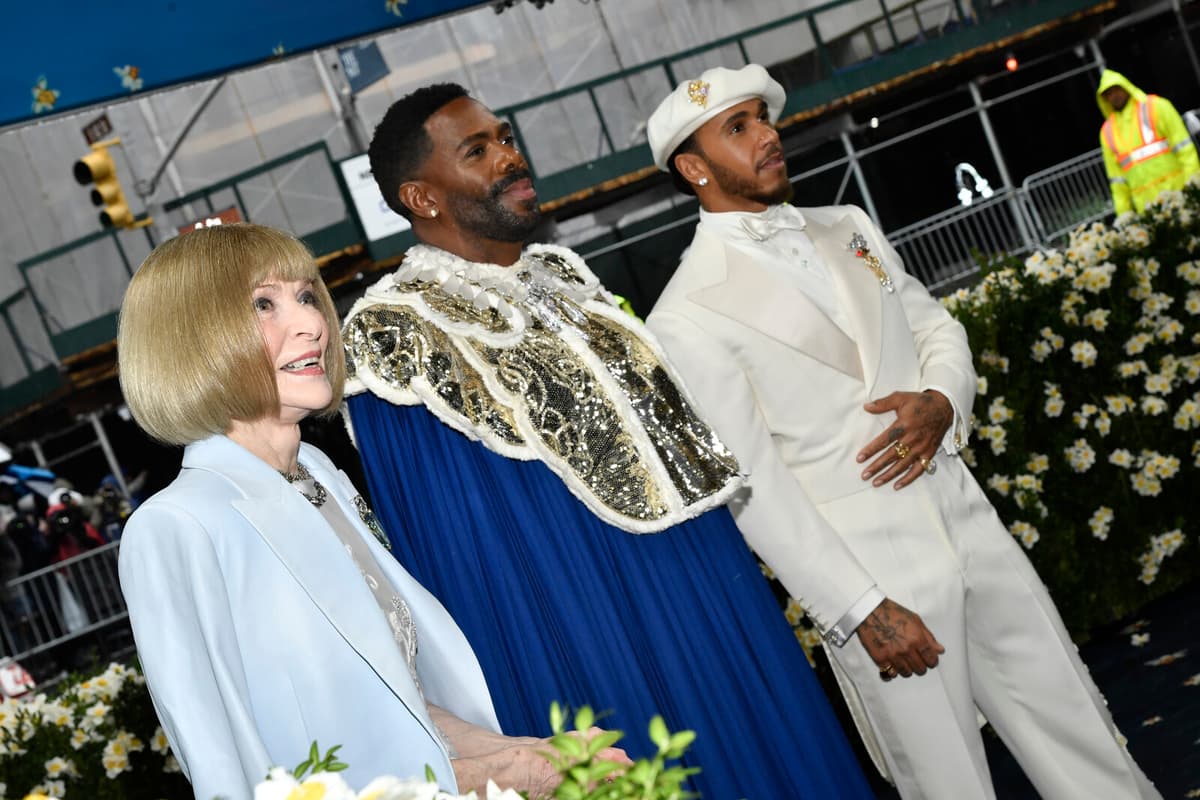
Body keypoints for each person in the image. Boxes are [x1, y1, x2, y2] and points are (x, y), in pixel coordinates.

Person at [341, 83, 875, 800]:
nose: (509, 155)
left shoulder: (562, 273)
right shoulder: (392, 329)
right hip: (588, 619)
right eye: (478, 150)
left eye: (504, 135)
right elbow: (458, 549)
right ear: (422, 198)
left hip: (704, 576)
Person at [644, 64, 1162, 800]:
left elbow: (936, 327)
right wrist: (859, 610)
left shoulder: (847, 226)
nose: (768, 135)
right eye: (739, 127)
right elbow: (754, 490)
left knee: (1082, 736)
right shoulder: (684, 315)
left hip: (970, 522)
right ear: (693, 168)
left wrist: (942, 401)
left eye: (764, 117)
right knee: (951, 787)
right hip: (878, 587)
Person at [116, 223, 624, 800]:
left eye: (307, 296)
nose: (311, 324)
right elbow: (228, 770)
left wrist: (521, 752)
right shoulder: (175, 526)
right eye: (264, 304)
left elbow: (397, 705)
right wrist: (503, 775)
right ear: (190, 340)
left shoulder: (318, 473)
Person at [1097, 69, 1199, 215]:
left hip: (1179, 193)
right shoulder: (1107, 132)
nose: (1114, 96)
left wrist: (1193, 185)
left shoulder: (1157, 106)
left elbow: (1185, 150)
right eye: (1109, 94)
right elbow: (1117, 181)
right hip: (1146, 208)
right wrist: (1124, 216)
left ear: (1126, 87)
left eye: (1116, 90)